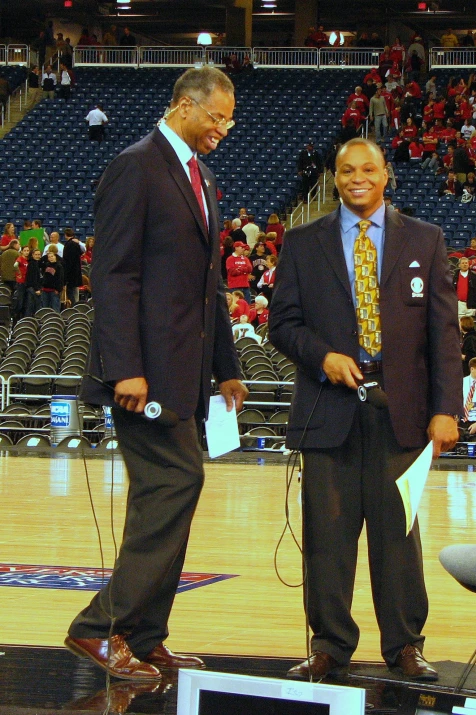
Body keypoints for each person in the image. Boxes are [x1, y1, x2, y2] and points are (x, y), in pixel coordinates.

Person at [65, 66, 248, 681]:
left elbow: (208, 285)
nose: (224, 128)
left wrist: (226, 367)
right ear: (182, 105)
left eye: (229, 119)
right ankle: (98, 628)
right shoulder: (134, 166)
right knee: (174, 484)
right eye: (216, 116)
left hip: (187, 374)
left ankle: (143, 634)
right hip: (142, 376)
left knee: (174, 492)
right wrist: (124, 367)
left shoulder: (203, 177)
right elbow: (114, 274)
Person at [269, 138, 461, 683]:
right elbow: (281, 324)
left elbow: (443, 336)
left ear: (386, 174)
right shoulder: (303, 242)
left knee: (398, 535)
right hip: (327, 409)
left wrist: (446, 409)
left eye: (368, 169)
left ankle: (404, 644)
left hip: (402, 413)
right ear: (334, 177)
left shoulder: (426, 239)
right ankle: (329, 644)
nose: (358, 178)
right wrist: (322, 357)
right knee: (327, 537)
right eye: (347, 170)